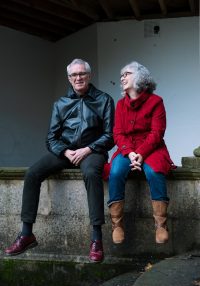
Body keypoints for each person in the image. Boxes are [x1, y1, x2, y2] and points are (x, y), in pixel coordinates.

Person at [5, 58, 115, 263]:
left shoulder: (104, 100)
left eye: (82, 74)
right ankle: (26, 233)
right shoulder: (60, 104)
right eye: (74, 75)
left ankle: (96, 239)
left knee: (91, 173)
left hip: (93, 152)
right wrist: (65, 152)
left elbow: (110, 135)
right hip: (66, 152)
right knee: (32, 173)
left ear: (89, 76)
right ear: (69, 78)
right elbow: (51, 138)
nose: (78, 78)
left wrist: (88, 149)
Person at [108, 61, 175, 245]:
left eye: (126, 74)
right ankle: (117, 225)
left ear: (139, 77)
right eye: (121, 75)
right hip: (127, 148)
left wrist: (141, 154)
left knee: (154, 171)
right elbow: (118, 133)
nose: (122, 78)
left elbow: (157, 133)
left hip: (151, 147)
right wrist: (130, 153)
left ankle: (161, 225)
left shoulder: (156, 102)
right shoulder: (121, 104)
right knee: (115, 172)